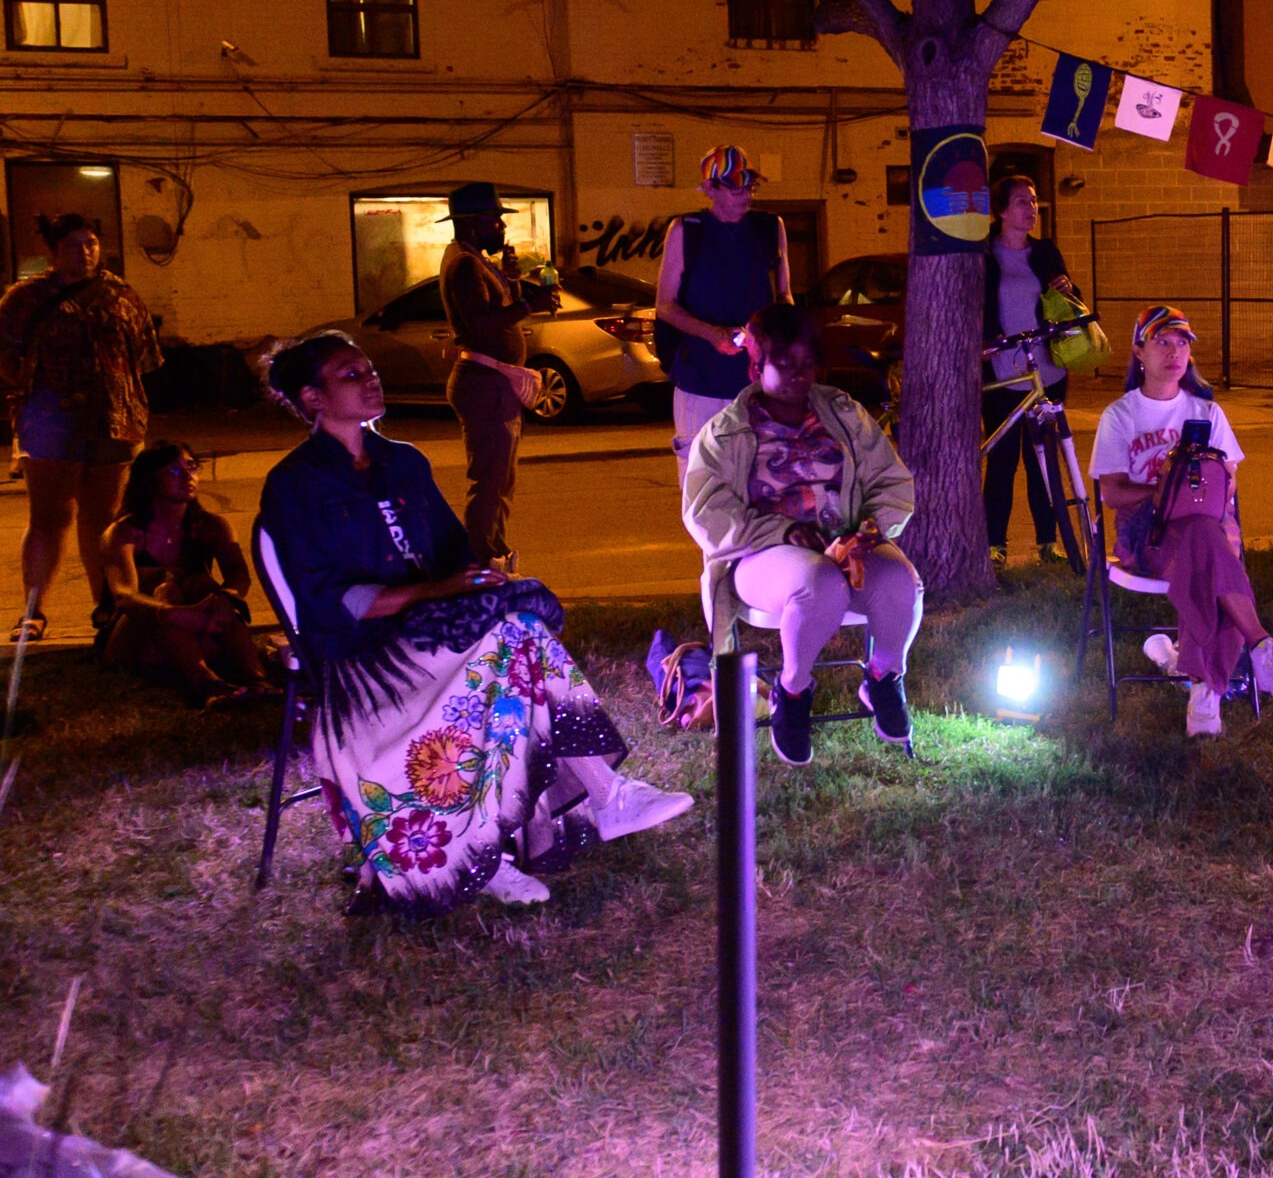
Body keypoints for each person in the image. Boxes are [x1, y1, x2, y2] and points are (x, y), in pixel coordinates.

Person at [258, 333, 690, 914]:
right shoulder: (295, 484)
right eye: (350, 374)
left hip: (436, 636)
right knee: (516, 638)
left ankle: (543, 829)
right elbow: (330, 602)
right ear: (312, 398)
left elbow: (453, 553)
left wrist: (477, 581)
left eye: (369, 368)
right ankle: (585, 804)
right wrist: (436, 592)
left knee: (518, 631)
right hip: (367, 660)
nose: (371, 379)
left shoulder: (402, 462)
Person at [682, 300, 919, 766]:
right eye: (784, 362)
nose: (798, 373)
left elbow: (891, 480)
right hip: (759, 554)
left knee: (899, 580)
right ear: (756, 366)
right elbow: (707, 514)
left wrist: (871, 530)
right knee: (819, 584)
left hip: (845, 543)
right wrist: (788, 533)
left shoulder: (842, 413)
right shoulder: (724, 434)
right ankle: (792, 691)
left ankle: (883, 677)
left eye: (807, 361)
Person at [1089, 305, 1273, 738]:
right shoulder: (1120, 416)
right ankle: (1259, 645)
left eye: (1182, 343)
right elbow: (1111, 493)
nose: (1174, 352)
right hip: (1146, 532)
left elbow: (1228, 485)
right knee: (1210, 552)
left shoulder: (1207, 414)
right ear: (1139, 352)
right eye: (1162, 342)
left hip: (1203, 530)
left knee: (1203, 544)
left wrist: (1199, 489)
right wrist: (1164, 492)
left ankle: (1202, 688)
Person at [0, 212, 162, 643]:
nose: (84, 252)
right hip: (49, 423)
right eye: (73, 244)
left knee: (103, 519)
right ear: (52, 252)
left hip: (115, 420)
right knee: (50, 518)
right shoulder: (25, 299)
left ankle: (108, 606)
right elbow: (5, 361)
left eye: (90, 243)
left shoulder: (122, 296)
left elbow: (144, 359)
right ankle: (33, 612)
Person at [100, 442, 274, 705]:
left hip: (196, 632)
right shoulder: (124, 532)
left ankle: (256, 679)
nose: (188, 477)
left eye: (192, 467)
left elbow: (239, 574)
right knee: (165, 588)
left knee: (207, 587)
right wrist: (174, 614)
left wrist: (225, 597)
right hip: (134, 640)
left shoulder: (211, 526)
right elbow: (124, 596)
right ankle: (206, 684)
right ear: (149, 479)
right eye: (174, 471)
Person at [439, 182, 557, 565]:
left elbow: (497, 305)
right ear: (474, 224)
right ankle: (481, 561)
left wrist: (512, 279)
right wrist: (529, 303)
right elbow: (481, 325)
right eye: (496, 221)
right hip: (483, 385)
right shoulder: (464, 265)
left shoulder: (473, 258)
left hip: (494, 384)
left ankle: (495, 553)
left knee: (501, 479)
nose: (502, 229)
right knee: (489, 481)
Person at [656, 146, 789, 463]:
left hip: (759, 384)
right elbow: (665, 305)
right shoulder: (686, 230)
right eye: (735, 187)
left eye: (750, 186)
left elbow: (784, 295)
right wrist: (713, 334)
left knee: (758, 482)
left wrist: (779, 334)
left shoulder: (770, 228)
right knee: (702, 483)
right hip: (700, 380)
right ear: (710, 189)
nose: (745, 195)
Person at [982, 174, 1078, 566]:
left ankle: (1047, 543)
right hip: (1005, 372)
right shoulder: (985, 255)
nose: (1032, 208)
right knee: (1002, 462)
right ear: (1002, 210)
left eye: (1035, 201)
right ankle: (994, 546)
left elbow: (1070, 301)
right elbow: (976, 306)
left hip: (1047, 371)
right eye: (1022, 201)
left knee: (1043, 463)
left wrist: (1070, 288)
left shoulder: (1045, 251)